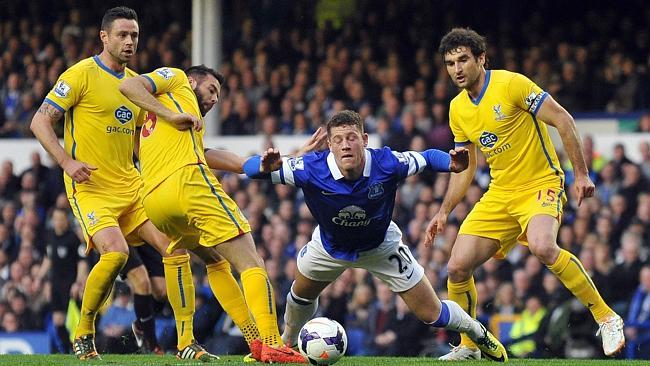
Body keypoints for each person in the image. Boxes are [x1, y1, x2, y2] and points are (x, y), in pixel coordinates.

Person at [242, 110, 508, 362]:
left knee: (432, 313)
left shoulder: (385, 162)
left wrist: (450, 163)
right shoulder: (310, 168)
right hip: (328, 248)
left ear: (364, 140)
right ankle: (284, 346)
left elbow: (426, 157)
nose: (345, 145)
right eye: (338, 140)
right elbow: (252, 168)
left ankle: (476, 332)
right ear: (330, 147)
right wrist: (265, 166)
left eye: (351, 137)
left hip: (381, 246)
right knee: (298, 296)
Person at [424, 27, 625, 360]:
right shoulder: (457, 109)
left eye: (463, 60)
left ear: (481, 59)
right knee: (457, 267)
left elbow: (563, 119)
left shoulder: (511, 84)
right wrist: (444, 210)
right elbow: (467, 167)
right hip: (501, 191)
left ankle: (606, 317)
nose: (456, 69)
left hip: (540, 182)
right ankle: (469, 347)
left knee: (544, 245)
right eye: (449, 63)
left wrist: (582, 174)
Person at [29, 7, 210, 361]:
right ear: (104, 37)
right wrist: (67, 162)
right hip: (90, 188)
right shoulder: (81, 74)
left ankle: (187, 342)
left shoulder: (136, 86)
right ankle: (84, 333)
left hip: (132, 187)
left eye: (135, 36)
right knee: (117, 253)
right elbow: (39, 121)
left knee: (175, 249)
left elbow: (143, 144)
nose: (130, 42)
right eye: (123, 35)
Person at [118, 64, 307, 363]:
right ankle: (273, 341)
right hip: (186, 184)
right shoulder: (177, 80)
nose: (216, 99)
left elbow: (206, 155)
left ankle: (254, 341)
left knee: (215, 260)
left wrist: (254, 164)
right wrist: (172, 115)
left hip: (155, 202)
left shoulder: (175, 121)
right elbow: (129, 87)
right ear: (192, 81)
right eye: (211, 90)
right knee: (250, 259)